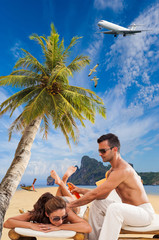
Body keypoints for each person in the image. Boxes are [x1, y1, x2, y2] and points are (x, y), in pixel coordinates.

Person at [67, 133, 155, 240]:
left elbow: (94, 194)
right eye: (99, 151)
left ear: (114, 149)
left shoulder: (123, 170)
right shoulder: (110, 172)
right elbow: (101, 195)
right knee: (97, 203)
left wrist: (69, 205)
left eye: (103, 151)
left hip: (143, 214)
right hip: (129, 212)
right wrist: (80, 190)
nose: (100, 154)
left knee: (114, 208)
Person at [3, 192, 91, 234]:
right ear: (47, 214)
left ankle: (62, 182)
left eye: (64, 217)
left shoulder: (66, 210)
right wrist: (31, 225)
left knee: (71, 200)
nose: (60, 221)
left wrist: (60, 227)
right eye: (56, 218)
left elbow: (87, 228)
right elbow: (7, 223)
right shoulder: (37, 213)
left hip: (71, 203)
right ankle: (61, 183)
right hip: (56, 202)